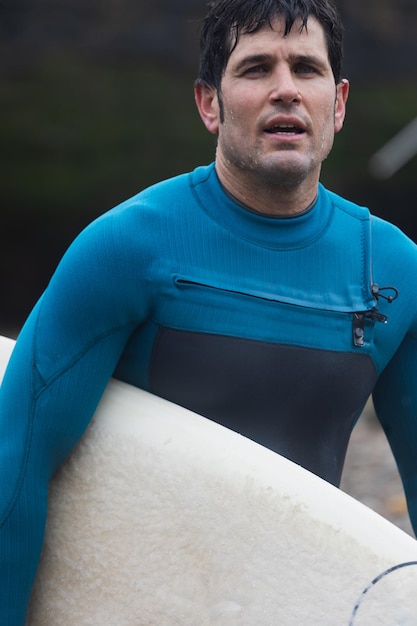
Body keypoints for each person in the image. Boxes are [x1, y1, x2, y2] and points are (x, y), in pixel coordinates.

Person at [1, 0, 417, 621]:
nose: (285, 90)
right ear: (209, 104)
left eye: (306, 68)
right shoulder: (129, 247)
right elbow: (17, 461)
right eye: (254, 70)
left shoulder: (393, 269)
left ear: (340, 102)